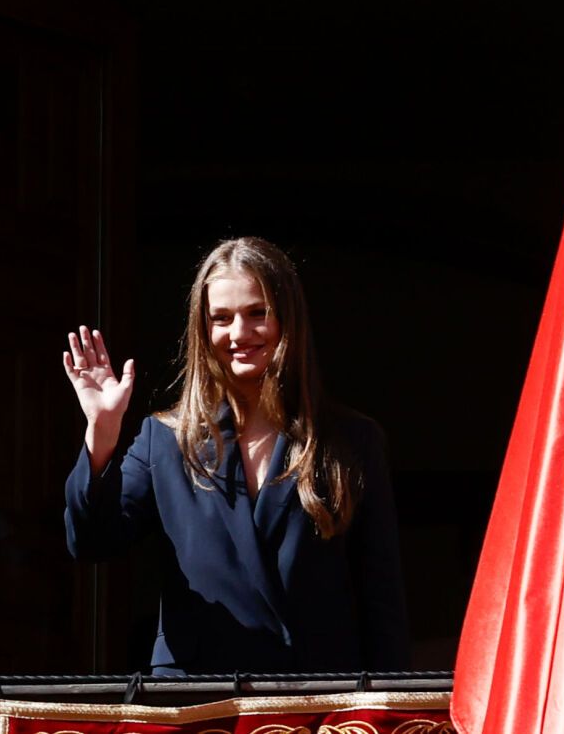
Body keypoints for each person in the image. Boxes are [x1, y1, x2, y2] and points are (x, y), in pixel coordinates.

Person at [61, 236, 410, 676]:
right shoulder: (165, 440)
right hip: (199, 704)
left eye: (257, 313)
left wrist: (390, 705)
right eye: (221, 318)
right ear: (203, 331)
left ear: (289, 319)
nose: (239, 334)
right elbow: (91, 540)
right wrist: (102, 433)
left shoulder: (352, 441)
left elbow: (382, 602)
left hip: (314, 702)